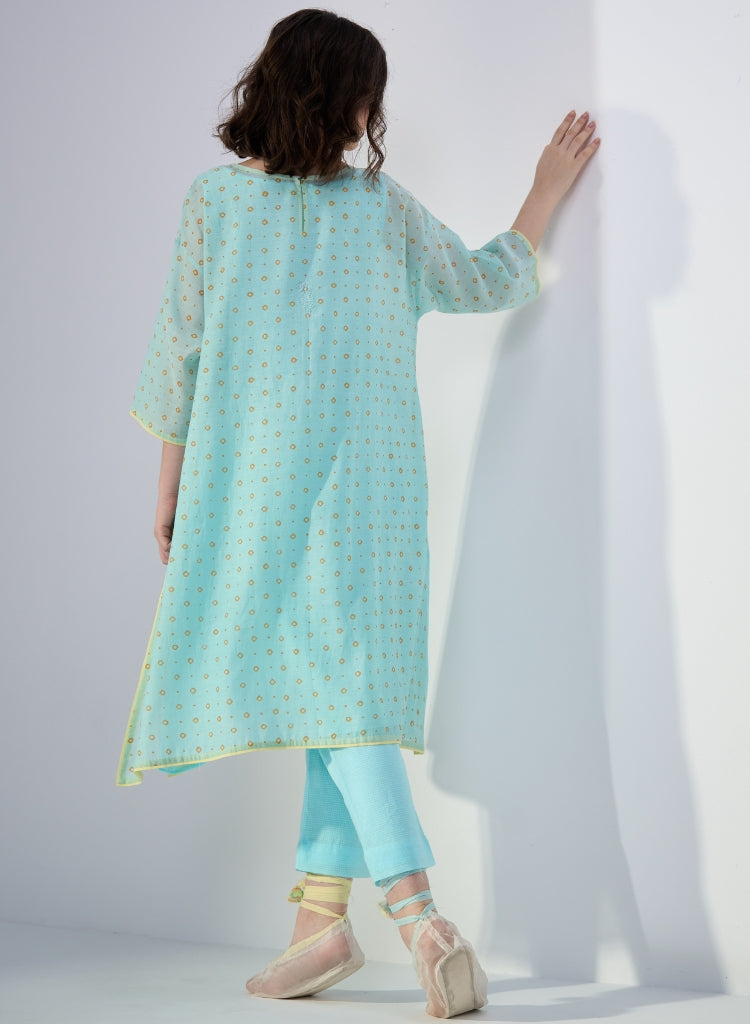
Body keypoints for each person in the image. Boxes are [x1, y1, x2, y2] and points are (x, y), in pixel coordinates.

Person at [117, 8, 599, 1018]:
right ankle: (322, 923)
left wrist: (167, 490)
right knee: (335, 688)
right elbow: (483, 280)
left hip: (256, 497)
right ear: (342, 102)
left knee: (332, 691)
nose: (371, 117)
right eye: (366, 98)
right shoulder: (380, 212)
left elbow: (179, 357)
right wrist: (542, 197)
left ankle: (418, 916)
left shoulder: (217, 203)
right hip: (369, 503)